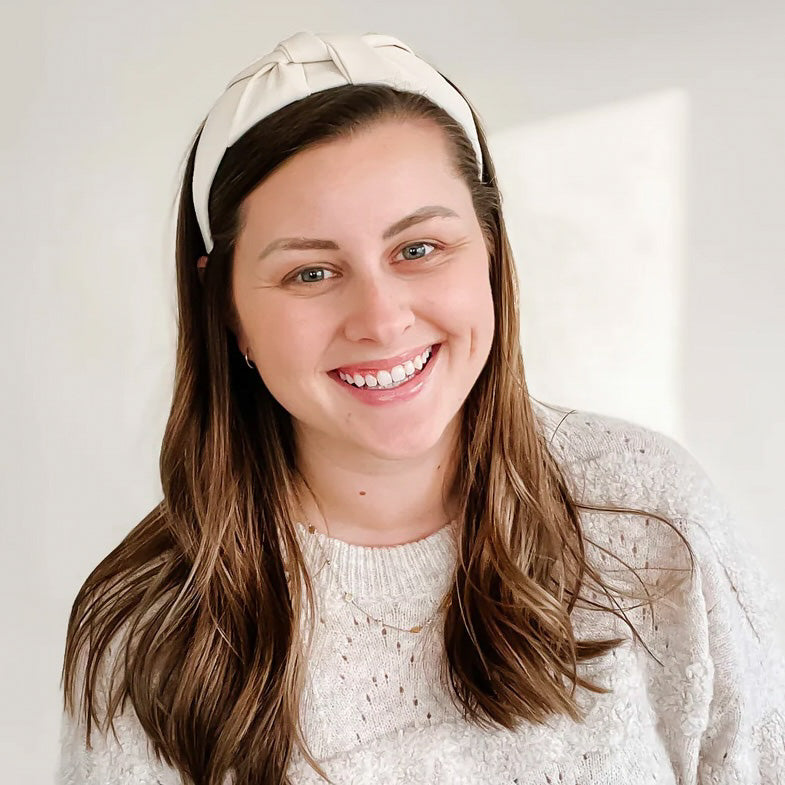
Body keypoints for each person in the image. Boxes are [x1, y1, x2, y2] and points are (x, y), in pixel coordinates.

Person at [57, 31, 785, 785]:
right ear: (228, 308)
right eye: (310, 271)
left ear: (490, 249)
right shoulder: (150, 630)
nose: (380, 318)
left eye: (418, 249)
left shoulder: (648, 514)